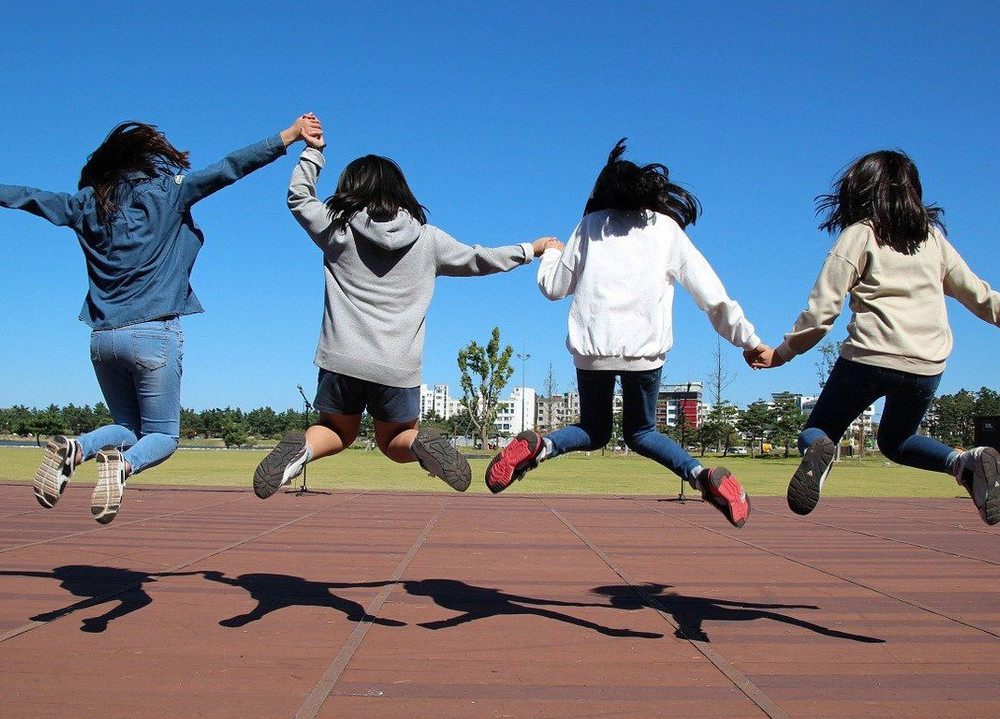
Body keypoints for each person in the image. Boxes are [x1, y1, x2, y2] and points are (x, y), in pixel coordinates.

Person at [0, 115, 321, 523]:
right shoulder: (166, 194)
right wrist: (289, 137)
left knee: (127, 428)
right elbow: (228, 168)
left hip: (102, 339)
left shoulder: (84, 206)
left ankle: (78, 449)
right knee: (163, 437)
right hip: (153, 333)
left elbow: (29, 196)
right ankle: (122, 468)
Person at [252, 121, 557, 498]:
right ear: (401, 190)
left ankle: (301, 451)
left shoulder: (339, 230)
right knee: (395, 439)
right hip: (398, 367)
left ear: (351, 189)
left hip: (341, 359)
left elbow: (299, 197)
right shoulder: (428, 240)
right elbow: (480, 259)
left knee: (336, 431)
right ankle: (420, 446)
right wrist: (531, 249)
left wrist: (312, 151)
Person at [485, 139, 761, 528]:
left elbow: (552, 288)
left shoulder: (589, 227)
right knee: (641, 431)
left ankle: (540, 447)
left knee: (593, 430)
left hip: (593, 351)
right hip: (644, 355)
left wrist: (549, 251)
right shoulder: (666, 230)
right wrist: (748, 340)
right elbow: (711, 294)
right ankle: (702, 476)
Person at [747, 150, 1000, 526]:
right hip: (926, 365)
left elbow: (821, 313)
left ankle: (820, 450)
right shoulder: (932, 241)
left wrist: (782, 354)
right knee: (896, 441)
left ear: (859, 191)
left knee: (817, 431)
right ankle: (965, 461)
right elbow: (980, 297)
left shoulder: (860, 234)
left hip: (868, 358)